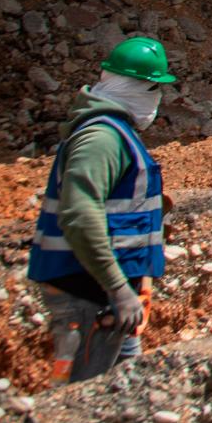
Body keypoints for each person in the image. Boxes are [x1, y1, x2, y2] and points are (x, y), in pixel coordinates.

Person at [27, 37, 177, 383]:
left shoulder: (116, 132)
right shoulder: (101, 138)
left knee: (124, 383)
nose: (157, 99)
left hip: (108, 293)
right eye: (156, 89)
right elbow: (81, 215)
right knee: (84, 392)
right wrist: (118, 290)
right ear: (144, 87)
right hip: (87, 290)